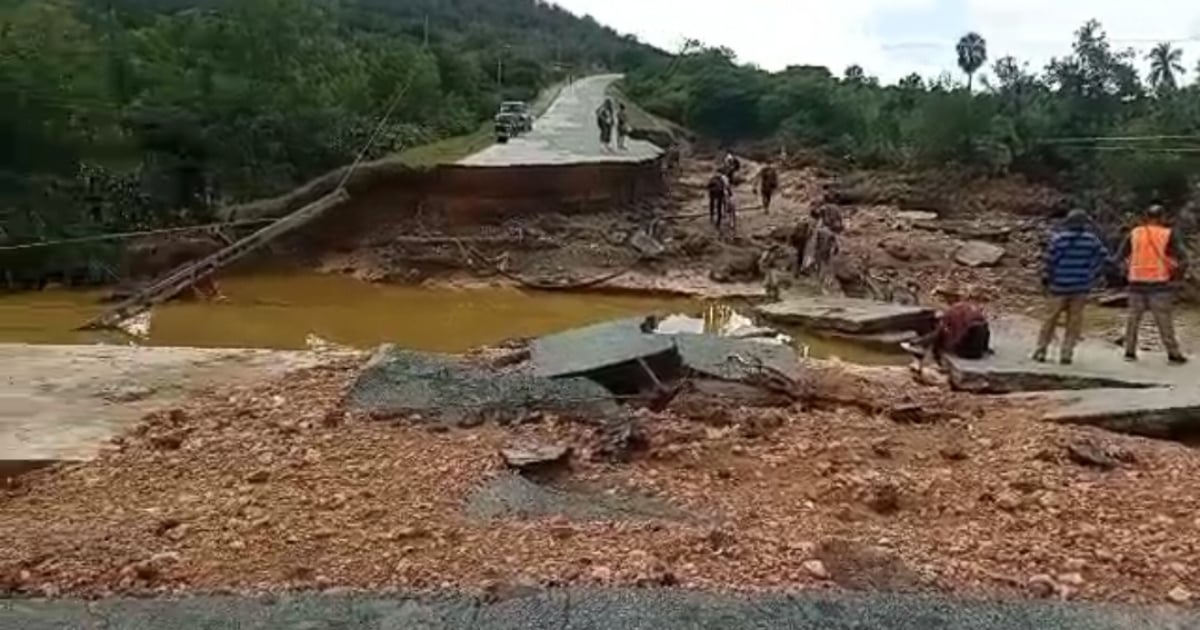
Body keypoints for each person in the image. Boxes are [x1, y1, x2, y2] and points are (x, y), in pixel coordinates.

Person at [1032, 209, 1109, 365]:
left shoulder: (1059, 239)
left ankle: (1041, 350)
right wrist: (1092, 272)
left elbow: (1049, 261)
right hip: (1081, 287)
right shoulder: (1091, 240)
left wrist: (1046, 279)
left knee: (1050, 320)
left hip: (1059, 286)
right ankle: (1066, 353)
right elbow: (1103, 256)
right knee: (1074, 322)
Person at [1117, 205, 1189, 364]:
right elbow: (1184, 259)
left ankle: (1129, 352)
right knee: (1164, 320)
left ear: (1146, 217)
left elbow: (1120, 256)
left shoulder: (1134, 233)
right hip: (1159, 284)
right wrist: (1176, 275)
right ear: (1162, 217)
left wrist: (1125, 272)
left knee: (1133, 319)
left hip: (1135, 282)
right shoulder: (1168, 234)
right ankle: (1173, 354)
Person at [910, 289, 991, 378]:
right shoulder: (974, 309)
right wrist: (984, 349)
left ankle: (922, 348)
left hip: (963, 352)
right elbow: (986, 331)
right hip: (978, 352)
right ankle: (920, 344)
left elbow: (948, 333)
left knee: (939, 334)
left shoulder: (952, 311)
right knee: (941, 332)